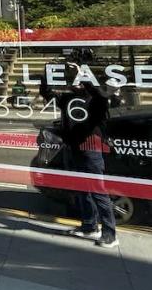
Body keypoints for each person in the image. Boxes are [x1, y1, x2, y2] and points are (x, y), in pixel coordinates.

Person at [40, 62, 117, 248]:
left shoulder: (96, 100)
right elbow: (47, 93)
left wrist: (81, 74)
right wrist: (47, 73)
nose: (74, 83)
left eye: (78, 81)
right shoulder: (68, 99)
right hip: (73, 148)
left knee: (98, 191)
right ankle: (89, 226)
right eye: (72, 80)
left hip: (90, 149)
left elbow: (101, 93)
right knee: (82, 190)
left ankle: (110, 234)